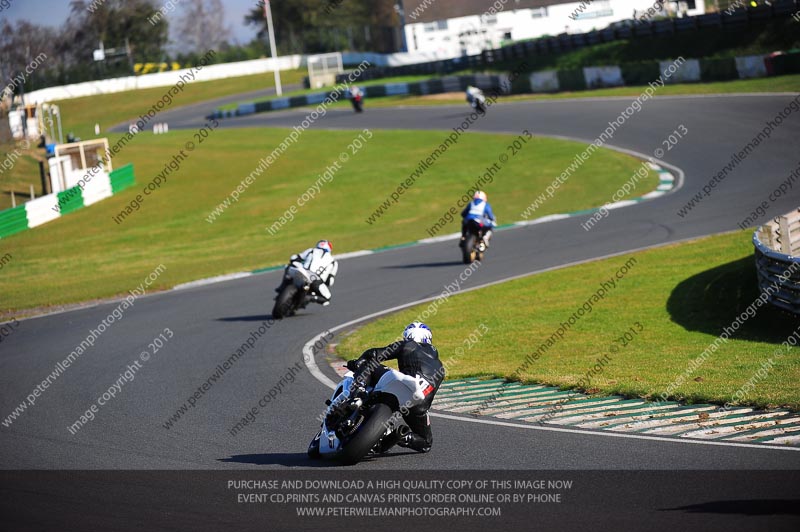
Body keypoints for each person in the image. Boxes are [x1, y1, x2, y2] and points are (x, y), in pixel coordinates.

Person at [346, 322, 444, 453]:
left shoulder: (408, 345)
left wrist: (358, 362)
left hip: (404, 386)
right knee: (425, 442)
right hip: (419, 404)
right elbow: (430, 396)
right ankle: (401, 436)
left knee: (370, 364)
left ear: (408, 336)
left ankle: (357, 394)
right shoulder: (441, 368)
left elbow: (375, 354)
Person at [275, 240, 338, 305]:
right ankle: (309, 298)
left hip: (303, 272)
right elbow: (330, 281)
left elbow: (294, 258)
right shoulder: (333, 262)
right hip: (316, 280)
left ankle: (282, 287)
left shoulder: (312, 250)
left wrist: (296, 261)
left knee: (288, 266)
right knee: (327, 298)